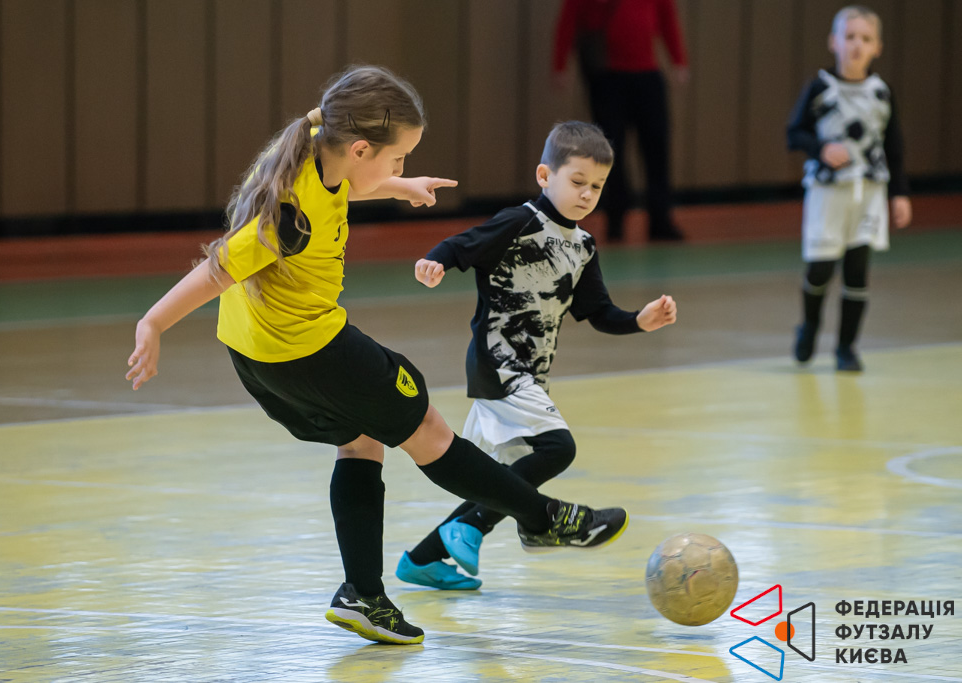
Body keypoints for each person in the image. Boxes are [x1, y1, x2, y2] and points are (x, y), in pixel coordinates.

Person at [125, 66, 631, 646]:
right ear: (362, 148)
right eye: (398, 159)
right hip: (311, 349)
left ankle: (362, 596)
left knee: (362, 440)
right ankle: (544, 520)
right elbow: (219, 268)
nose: (400, 167)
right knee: (428, 430)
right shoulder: (291, 215)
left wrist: (397, 186)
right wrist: (152, 323)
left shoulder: (313, 146)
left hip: (257, 357)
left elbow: (346, 185)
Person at [397, 121, 676, 590]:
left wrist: (638, 321)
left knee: (506, 480)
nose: (587, 194)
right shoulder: (520, 223)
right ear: (545, 176)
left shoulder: (583, 247)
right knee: (557, 448)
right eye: (578, 181)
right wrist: (436, 261)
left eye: (597, 187)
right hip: (497, 362)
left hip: (531, 373)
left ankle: (423, 559)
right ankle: (507, 526)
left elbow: (598, 312)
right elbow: (463, 245)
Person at [786, 5, 911, 372]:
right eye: (850, 36)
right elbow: (794, 133)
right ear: (834, 42)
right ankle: (809, 325)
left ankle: (846, 347)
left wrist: (899, 193)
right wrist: (821, 149)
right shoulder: (820, 87)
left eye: (865, 38)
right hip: (828, 192)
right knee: (821, 268)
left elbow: (894, 146)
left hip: (868, 192)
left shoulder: (881, 93)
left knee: (857, 271)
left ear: (877, 47)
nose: (857, 44)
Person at [552, 0, 689, 243]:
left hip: (647, 75)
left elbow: (667, 20)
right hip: (608, 78)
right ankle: (615, 217)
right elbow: (570, 20)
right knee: (610, 151)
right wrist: (560, 63)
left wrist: (678, 59)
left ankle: (660, 219)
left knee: (656, 148)